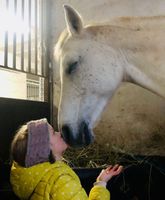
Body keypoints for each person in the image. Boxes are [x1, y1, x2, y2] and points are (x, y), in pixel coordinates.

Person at [10, 118, 123, 200]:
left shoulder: (29, 178)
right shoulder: (61, 182)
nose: (60, 134)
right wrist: (101, 183)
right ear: (45, 149)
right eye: (54, 133)